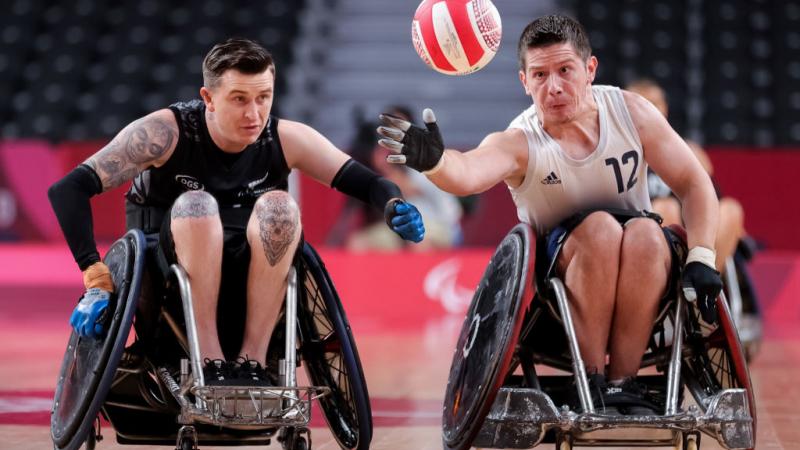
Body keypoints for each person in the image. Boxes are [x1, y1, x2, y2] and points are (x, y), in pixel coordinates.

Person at [377, 15, 722, 414]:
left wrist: (702, 255)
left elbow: (695, 183)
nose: (553, 87)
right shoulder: (520, 141)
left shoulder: (631, 112)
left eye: (565, 71)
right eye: (539, 75)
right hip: (554, 297)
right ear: (524, 82)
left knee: (647, 232)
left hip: (642, 284)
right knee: (600, 229)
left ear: (590, 69)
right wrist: (437, 162)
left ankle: (621, 384)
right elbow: (468, 172)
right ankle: (588, 380)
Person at [48, 38, 426, 386]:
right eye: (240, 99)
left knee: (280, 206)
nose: (255, 112)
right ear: (208, 98)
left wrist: (393, 205)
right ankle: (209, 361)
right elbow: (68, 189)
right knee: (198, 207)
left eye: (264, 97)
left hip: (249, 272)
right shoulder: (164, 133)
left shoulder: (286, 138)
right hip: (165, 275)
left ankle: (253, 362)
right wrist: (94, 275)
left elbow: (370, 183)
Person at [626, 78, 746, 271]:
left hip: (693, 227)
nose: (651, 109)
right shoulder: (619, 151)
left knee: (731, 209)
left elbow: (713, 200)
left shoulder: (690, 150)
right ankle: (678, 281)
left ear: (665, 107)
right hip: (643, 232)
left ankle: (704, 283)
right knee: (666, 207)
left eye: (656, 103)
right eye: (643, 102)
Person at [330, 106, 462, 251]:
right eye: (390, 128)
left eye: (401, 127)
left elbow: (408, 189)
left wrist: (383, 165)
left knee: (418, 244)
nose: (395, 132)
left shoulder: (423, 155)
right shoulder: (395, 163)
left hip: (438, 224)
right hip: (404, 229)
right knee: (358, 243)